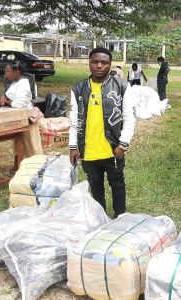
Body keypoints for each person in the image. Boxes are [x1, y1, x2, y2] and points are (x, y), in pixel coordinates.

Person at [69, 47, 137, 218]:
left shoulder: (122, 86)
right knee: (95, 187)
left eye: (104, 62)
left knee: (117, 184)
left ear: (110, 65)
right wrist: (73, 146)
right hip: (89, 150)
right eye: (95, 62)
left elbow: (129, 117)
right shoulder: (78, 89)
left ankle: (120, 217)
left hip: (112, 149)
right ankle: (102, 219)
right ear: (89, 63)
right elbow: (73, 119)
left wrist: (123, 144)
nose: (99, 65)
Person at [0, 61, 43, 170]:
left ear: (17, 72)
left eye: (8, 71)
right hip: (19, 118)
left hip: (28, 119)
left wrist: (7, 101)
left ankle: (37, 167)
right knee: (19, 142)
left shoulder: (23, 84)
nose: (6, 73)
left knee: (32, 145)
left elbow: (19, 104)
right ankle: (17, 166)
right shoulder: (15, 82)